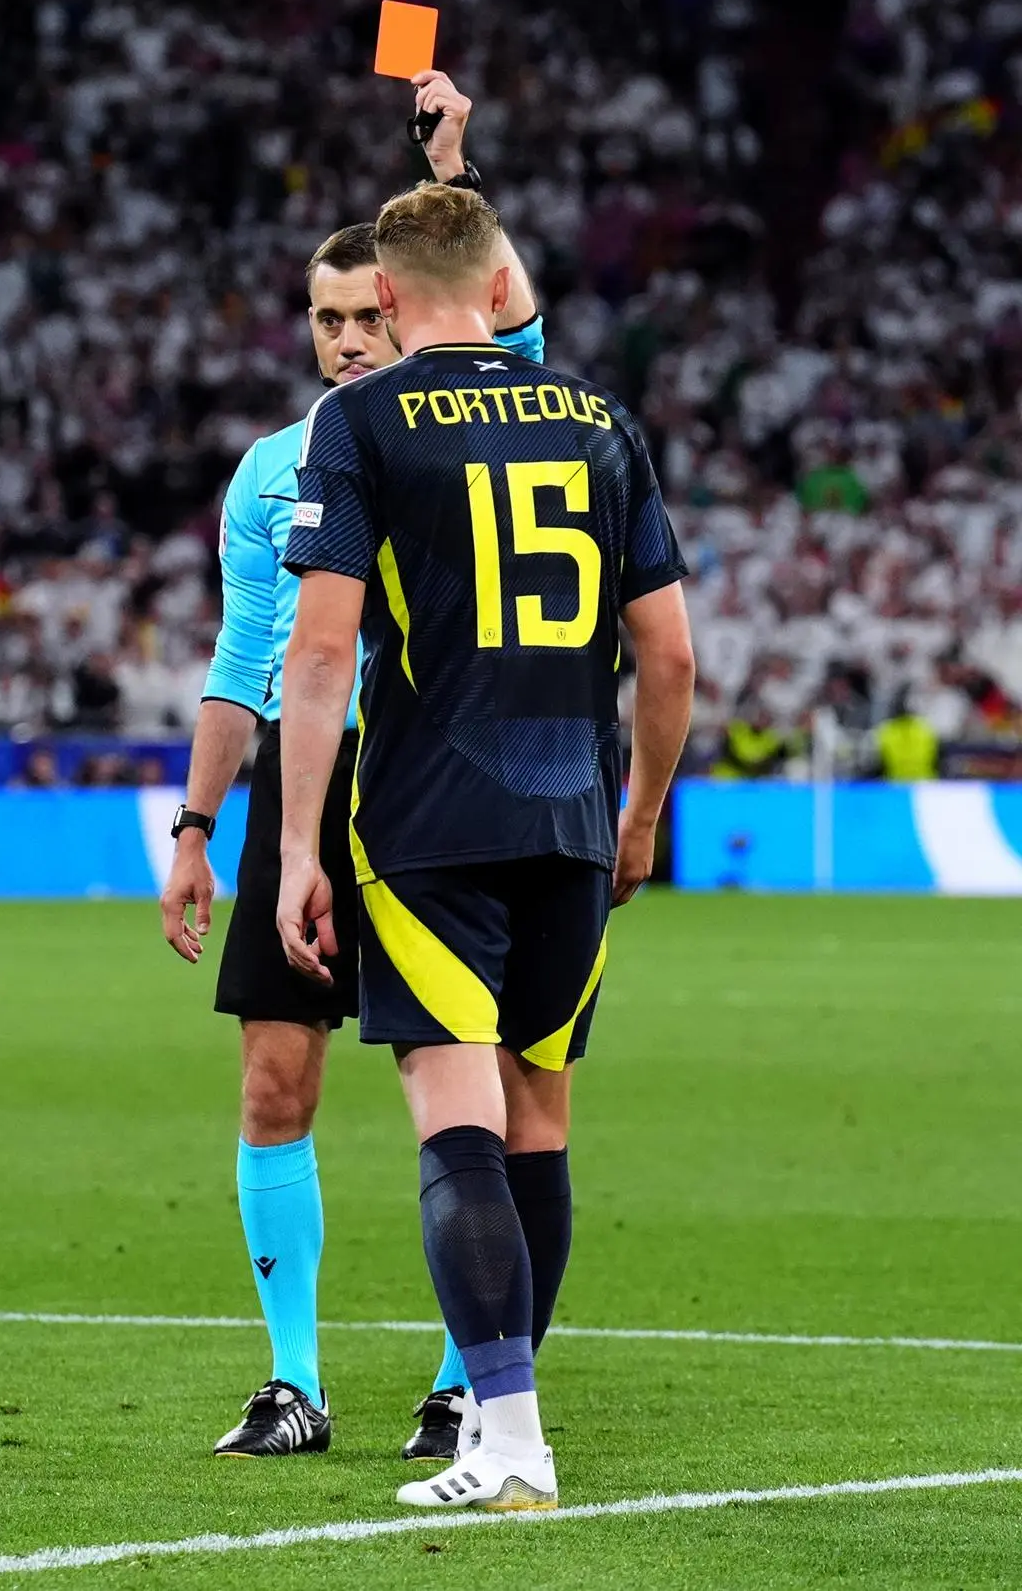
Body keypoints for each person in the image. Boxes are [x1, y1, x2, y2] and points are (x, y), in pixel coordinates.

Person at [276, 182, 694, 1510]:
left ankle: (508, 1440)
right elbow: (671, 651)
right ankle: (493, 1410)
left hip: (425, 818)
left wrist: (297, 845)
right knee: (542, 1118)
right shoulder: (600, 419)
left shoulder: (363, 419)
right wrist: (638, 818)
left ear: (386, 296)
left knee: (454, 1121)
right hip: (576, 813)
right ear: (503, 282)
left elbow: (326, 644)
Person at [159, 73, 546, 1460]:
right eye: (320, 321)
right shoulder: (271, 469)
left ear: (404, 305)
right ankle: (293, 1382)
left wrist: (459, 166)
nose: (339, 341)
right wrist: (199, 823)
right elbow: (246, 655)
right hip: (303, 789)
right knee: (277, 1078)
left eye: (359, 315)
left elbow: (521, 327)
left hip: (440, 780)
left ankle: (464, 1375)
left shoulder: (472, 419)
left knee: (466, 1079)